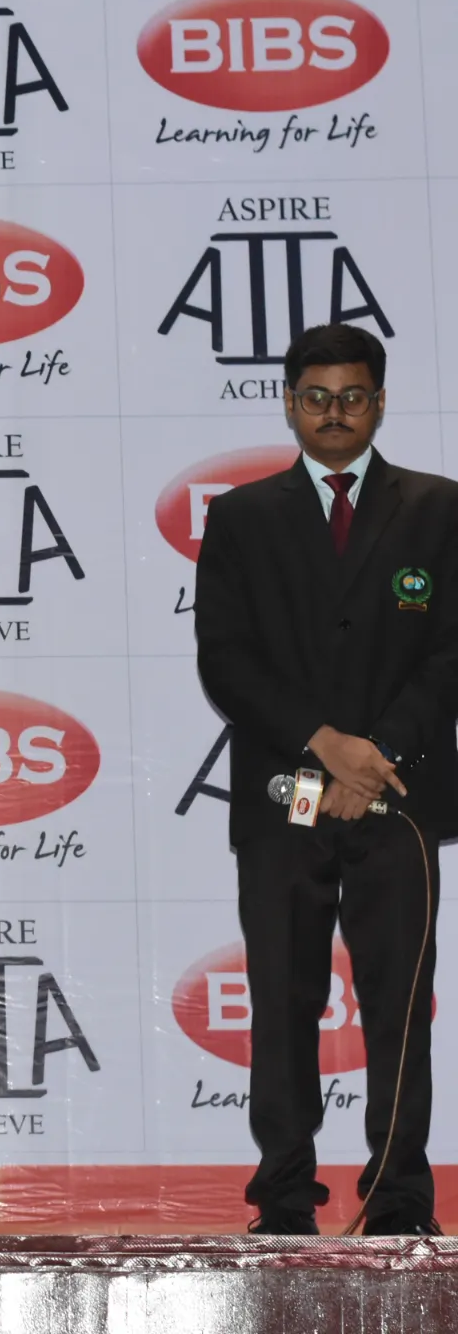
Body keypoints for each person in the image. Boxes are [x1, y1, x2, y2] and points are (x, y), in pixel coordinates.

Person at [194, 321, 458, 1237]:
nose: (333, 413)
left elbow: (449, 654)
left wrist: (372, 757)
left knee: (399, 1003)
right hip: (285, 798)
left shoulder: (439, 508)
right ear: (288, 405)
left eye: (351, 397)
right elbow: (226, 661)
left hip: (401, 794)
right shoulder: (242, 516)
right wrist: (325, 747)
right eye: (316, 398)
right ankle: (283, 1196)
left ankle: (399, 1196)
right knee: (283, 998)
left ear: (379, 403)